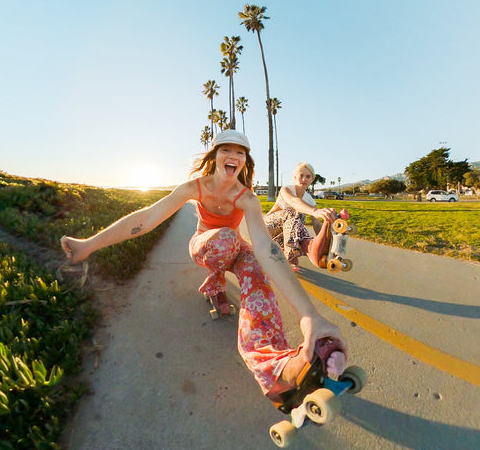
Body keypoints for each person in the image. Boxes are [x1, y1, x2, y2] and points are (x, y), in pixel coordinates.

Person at [59, 130, 347, 403]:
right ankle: (215, 281)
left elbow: (266, 247)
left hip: (234, 246)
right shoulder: (194, 187)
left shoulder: (247, 198)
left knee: (255, 267)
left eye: (240, 152)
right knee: (225, 239)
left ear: (244, 161)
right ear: (215, 156)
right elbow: (146, 219)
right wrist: (88, 245)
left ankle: (277, 368)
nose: (233, 156)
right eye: (226, 150)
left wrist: (309, 315)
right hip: (204, 244)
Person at [264, 161, 338, 270]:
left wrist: (327, 245)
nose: (304, 179)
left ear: (312, 179)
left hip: (285, 235)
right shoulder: (286, 189)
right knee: (293, 212)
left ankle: (309, 248)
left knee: (300, 218)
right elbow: (294, 202)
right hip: (266, 228)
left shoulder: (310, 200)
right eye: (301, 175)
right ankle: (291, 256)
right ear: (295, 177)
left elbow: (316, 224)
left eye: (308, 176)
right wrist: (314, 211)